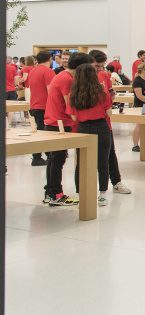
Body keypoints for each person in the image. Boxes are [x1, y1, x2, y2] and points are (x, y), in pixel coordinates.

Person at [43, 52, 92, 206]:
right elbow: (70, 105)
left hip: (54, 122)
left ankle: (51, 192)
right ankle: (56, 194)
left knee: (54, 159)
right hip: (59, 124)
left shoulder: (63, 76)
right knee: (57, 159)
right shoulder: (67, 79)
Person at [68, 62, 113, 207]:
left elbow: (73, 117)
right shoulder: (102, 91)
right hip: (101, 127)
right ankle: (102, 195)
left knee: (81, 163)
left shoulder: (74, 94)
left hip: (82, 129)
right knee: (103, 162)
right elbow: (109, 113)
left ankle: (81, 194)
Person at [89, 49, 131, 195]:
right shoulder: (82, 77)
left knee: (110, 153)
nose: (100, 69)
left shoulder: (104, 75)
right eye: (97, 66)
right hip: (87, 122)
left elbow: (111, 93)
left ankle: (116, 182)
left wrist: (107, 101)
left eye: (102, 66)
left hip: (104, 121)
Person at [26, 52, 54, 167]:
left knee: (38, 132)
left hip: (34, 105)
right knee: (45, 133)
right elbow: (51, 91)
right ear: (50, 59)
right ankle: (38, 157)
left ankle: (39, 156)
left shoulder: (33, 71)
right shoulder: (48, 71)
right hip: (44, 106)